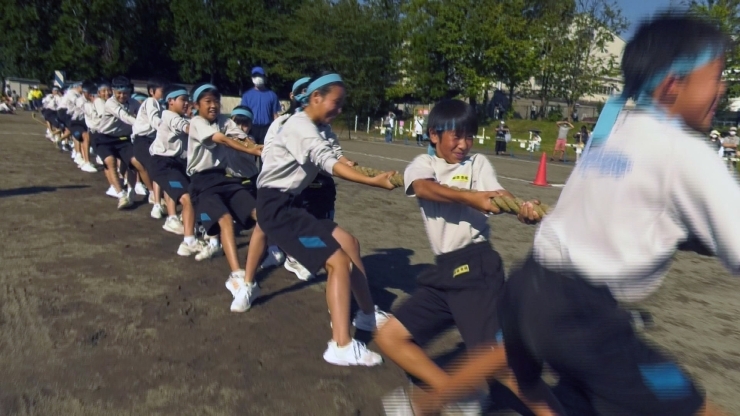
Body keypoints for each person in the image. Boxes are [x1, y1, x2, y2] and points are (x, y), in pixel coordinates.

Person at [491, 12, 734, 416]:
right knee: (695, 407)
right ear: (673, 85)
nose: (722, 89)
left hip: (524, 291)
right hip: (581, 318)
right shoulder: (686, 151)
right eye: (716, 76)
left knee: (540, 386)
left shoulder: (615, 133)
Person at [375, 99, 543, 416]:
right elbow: (424, 189)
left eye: (470, 136)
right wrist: (469, 197)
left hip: (477, 268)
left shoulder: (477, 165)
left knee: (501, 365)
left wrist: (522, 208)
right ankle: (458, 396)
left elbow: (498, 196)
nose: (464, 144)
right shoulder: (423, 166)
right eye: (457, 136)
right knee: (390, 336)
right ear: (434, 135)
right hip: (445, 273)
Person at [256, 72, 393, 366]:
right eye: (336, 102)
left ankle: (367, 315)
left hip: (294, 204)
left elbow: (332, 154)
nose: (339, 110)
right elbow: (326, 161)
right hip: (278, 208)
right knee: (338, 261)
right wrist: (373, 182)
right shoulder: (300, 126)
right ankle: (340, 345)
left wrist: (351, 164)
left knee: (349, 243)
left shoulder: (314, 126)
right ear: (316, 98)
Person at [150, 85, 203, 257]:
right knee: (186, 199)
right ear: (170, 101)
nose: (186, 103)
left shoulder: (182, 117)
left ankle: (183, 222)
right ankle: (188, 241)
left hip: (176, 163)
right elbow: (185, 128)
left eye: (188, 100)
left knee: (194, 195)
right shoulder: (168, 115)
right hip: (163, 163)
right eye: (183, 100)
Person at [96, 76, 140, 209]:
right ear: (113, 91)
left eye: (125, 93)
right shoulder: (110, 103)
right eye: (118, 93)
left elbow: (142, 115)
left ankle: (131, 192)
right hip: (105, 138)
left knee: (134, 162)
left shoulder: (134, 103)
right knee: (110, 162)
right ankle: (121, 194)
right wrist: (141, 125)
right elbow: (124, 116)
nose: (122, 96)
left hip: (124, 138)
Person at [239, 66, 281, 145]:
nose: (257, 78)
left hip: (267, 128)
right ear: (252, 78)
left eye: (260, 75)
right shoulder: (247, 95)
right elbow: (243, 114)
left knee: (265, 152)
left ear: (264, 77)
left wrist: (277, 129)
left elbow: (275, 115)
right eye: (255, 76)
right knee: (250, 151)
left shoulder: (272, 95)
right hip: (251, 127)